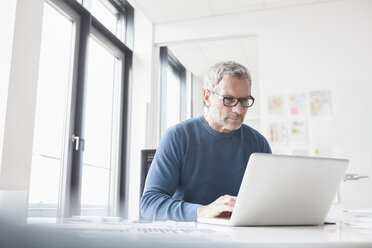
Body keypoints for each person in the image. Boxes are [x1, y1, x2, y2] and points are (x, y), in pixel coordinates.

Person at [141, 61, 271, 221]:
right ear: (207, 97)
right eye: (229, 99)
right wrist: (202, 212)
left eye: (244, 100)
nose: (239, 110)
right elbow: (149, 204)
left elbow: (268, 203)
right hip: (189, 237)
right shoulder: (178, 136)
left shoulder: (258, 143)